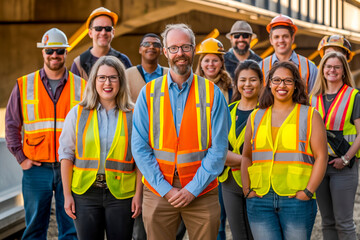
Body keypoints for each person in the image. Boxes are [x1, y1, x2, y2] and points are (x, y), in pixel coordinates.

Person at [131, 23, 230, 240]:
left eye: (185, 47)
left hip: (202, 190)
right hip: (159, 191)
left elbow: (219, 149)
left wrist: (192, 189)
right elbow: (139, 148)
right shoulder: (148, 93)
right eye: (174, 48)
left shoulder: (213, 94)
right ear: (165, 52)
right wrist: (166, 189)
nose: (180, 54)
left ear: (194, 50)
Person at [5, 28, 86, 240]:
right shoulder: (24, 85)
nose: (54, 55)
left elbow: (90, 128)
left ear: (66, 52)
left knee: (71, 228)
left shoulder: (82, 86)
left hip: (71, 167)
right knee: (34, 228)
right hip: (36, 169)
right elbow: (12, 124)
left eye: (59, 51)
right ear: (43, 52)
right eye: (50, 51)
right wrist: (21, 159)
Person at [241, 61, 328, 240]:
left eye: (288, 81)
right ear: (270, 83)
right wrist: (247, 189)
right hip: (260, 198)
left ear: (296, 85)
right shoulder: (256, 116)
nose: (282, 85)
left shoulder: (310, 115)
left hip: (296, 199)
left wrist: (308, 192)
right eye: (277, 80)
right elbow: (246, 156)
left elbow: (321, 157)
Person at [59, 56, 142, 240]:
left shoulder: (134, 114)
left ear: (121, 81)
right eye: (102, 77)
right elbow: (66, 155)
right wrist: (67, 195)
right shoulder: (78, 113)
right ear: (94, 81)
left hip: (121, 195)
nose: (107, 83)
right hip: (85, 194)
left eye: (113, 77)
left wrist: (138, 195)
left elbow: (140, 159)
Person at [309, 52, 360, 240]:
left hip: (343, 167)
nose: (332, 70)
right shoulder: (312, 98)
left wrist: (346, 159)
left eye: (337, 67)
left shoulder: (354, 96)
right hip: (319, 166)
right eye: (328, 66)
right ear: (322, 70)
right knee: (327, 222)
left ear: (343, 71)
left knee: (344, 223)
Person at [219, 59, 263, 240]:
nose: (247, 84)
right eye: (243, 80)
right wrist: (243, 159)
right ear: (236, 83)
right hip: (229, 182)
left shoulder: (266, 113)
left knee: (258, 234)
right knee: (238, 234)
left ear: (262, 82)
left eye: (253, 79)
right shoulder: (227, 111)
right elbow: (216, 149)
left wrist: (230, 157)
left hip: (257, 181)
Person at [260, 15, 318, 93]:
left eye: (285, 36)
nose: (281, 40)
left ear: (292, 38)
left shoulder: (309, 67)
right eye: (276, 37)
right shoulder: (261, 67)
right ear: (271, 40)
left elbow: (315, 99)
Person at [71, 7, 132, 80]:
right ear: (90, 33)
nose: (103, 33)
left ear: (113, 32)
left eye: (108, 29)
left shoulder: (123, 61)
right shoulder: (79, 63)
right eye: (98, 28)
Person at [125, 33, 169, 103]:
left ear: (161, 51)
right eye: (146, 44)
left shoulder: (170, 74)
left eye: (156, 45)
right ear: (140, 49)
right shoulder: (127, 74)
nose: (151, 47)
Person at [195, 38, 232, 103]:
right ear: (201, 63)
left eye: (215, 60)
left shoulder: (230, 87)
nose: (211, 64)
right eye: (207, 61)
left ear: (221, 63)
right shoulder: (192, 86)